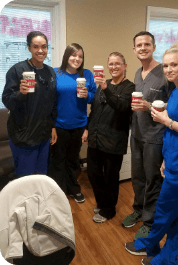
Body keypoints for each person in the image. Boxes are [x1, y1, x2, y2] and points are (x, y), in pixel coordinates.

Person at [125, 39, 178, 265]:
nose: (169, 69)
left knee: (164, 210)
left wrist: (167, 121)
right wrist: (165, 160)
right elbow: (176, 128)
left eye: (175, 65)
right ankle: (168, 258)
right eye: (167, 65)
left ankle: (147, 246)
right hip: (174, 161)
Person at [122, 31, 175, 239]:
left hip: (155, 136)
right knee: (137, 177)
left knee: (153, 179)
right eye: (139, 45)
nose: (143, 48)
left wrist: (149, 105)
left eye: (147, 44)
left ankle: (149, 220)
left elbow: (174, 106)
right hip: (137, 134)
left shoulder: (165, 73)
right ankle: (138, 208)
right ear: (134, 50)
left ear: (153, 47)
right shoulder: (137, 73)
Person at [82, 52, 135, 223]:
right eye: (111, 64)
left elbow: (121, 106)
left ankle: (109, 210)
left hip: (113, 140)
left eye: (118, 63)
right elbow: (95, 109)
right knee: (92, 173)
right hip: (96, 138)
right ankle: (102, 202)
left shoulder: (130, 87)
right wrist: (87, 129)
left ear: (124, 66)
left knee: (110, 177)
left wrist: (106, 88)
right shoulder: (102, 85)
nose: (113, 67)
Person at [2, 31, 57, 178]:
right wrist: (21, 93)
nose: (40, 50)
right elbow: (6, 100)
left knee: (41, 177)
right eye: (36, 47)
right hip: (23, 136)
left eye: (44, 46)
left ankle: (39, 202)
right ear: (29, 48)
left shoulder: (50, 72)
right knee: (25, 179)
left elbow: (52, 102)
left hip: (43, 135)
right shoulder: (17, 70)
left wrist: (52, 127)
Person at [48, 44, 96, 203]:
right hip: (59, 125)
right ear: (66, 56)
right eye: (73, 55)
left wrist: (87, 95)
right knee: (57, 160)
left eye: (80, 56)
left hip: (79, 125)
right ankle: (58, 192)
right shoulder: (55, 73)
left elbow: (95, 99)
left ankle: (73, 188)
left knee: (73, 160)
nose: (77, 59)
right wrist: (52, 126)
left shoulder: (87, 74)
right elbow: (49, 101)